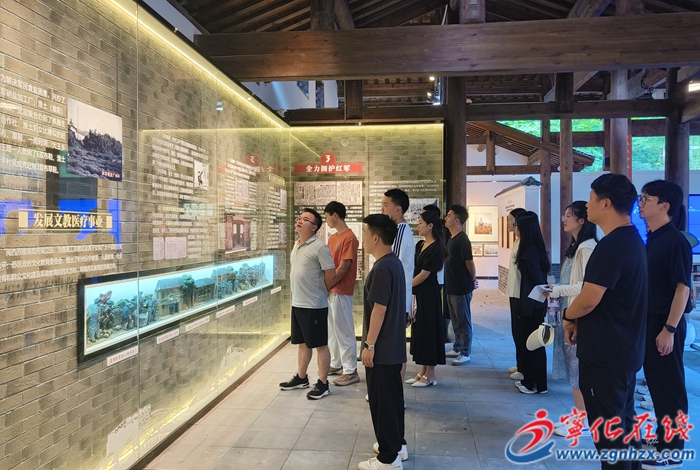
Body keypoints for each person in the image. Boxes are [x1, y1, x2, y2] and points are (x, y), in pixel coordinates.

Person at [564, 174, 647, 470]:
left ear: (606, 203)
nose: (587, 204)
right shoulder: (631, 239)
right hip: (623, 350)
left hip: (606, 353)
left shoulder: (611, 245)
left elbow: (589, 298)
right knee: (623, 425)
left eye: (590, 198)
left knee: (610, 435)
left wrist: (567, 316)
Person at [638, 180, 691, 470]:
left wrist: (669, 330)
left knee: (670, 388)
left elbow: (683, 288)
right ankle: (662, 438)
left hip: (665, 323)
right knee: (658, 385)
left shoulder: (674, 240)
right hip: (652, 321)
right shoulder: (655, 237)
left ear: (664, 206)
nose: (641, 203)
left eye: (646, 198)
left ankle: (673, 450)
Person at [359, 214, 407, 470]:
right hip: (393, 347)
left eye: (366, 234)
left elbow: (379, 309)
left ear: (376, 238)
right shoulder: (393, 263)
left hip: (382, 349)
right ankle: (397, 445)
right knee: (393, 399)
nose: (364, 239)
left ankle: (388, 459)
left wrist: (369, 345)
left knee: (383, 403)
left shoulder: (381, 268)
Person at [545, 201, 598, 436]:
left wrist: (557, 290)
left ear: (582, 221)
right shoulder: (578, 246)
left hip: (578, 314)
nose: (564, 220)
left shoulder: (586, 248)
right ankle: (579, 417)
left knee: (577, 372)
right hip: (571, 312)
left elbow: (584, 286)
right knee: (574, 371)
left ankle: (583, 422)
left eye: (569, 216)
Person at [279, 208, 336, 400]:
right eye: (300, 218)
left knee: (320, 345)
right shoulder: (297, 244)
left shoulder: (320, 247)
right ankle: (301, 378)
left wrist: (322, 291)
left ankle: (323, 383)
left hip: (314, 305)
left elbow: (331, 273)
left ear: (314, 227)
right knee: (302, 343)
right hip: (298, 303)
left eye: (305, 219)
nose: (300, 221)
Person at [405, 210, 446, 387]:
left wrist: (405, 287)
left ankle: (431, 374)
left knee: (428, 330)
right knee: (420, 330)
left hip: (428, 293)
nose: (418, 225)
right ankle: (422, 370)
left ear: (430, 226)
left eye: (421, 222)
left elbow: (424, 275)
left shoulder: (436, 247)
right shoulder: (420, 244)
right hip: (418, 292)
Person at [512, 211, 550, 394]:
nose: (514, 228)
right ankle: (537, 383)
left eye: (516, 225)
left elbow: (537, 279)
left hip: (532, 303)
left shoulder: (529, 252)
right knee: (534, 342)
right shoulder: (535, 247)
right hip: (535, 302)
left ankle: (532, 383)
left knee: (532, 343)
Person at [324, 201, 361, 386]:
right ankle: (336, 363)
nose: (326, 220)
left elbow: (343, 267)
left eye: (327, 217)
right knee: (332, 331)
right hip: (331, 289)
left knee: (344, 331)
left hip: (341, 290)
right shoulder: (332, 238)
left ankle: (350, 370)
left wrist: (328, 284)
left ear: (335, 215)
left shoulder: (349, 237)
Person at [382, 188, 414, 384]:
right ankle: (393, 389)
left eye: (386, 205)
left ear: (398, 209)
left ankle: (395, 389)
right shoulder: (399, 230)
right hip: (397, 298)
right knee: (393, 345)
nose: (382, 209)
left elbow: (395, 265)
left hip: (396, 299)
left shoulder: (400, 231)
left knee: (395, 346)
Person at [443, 204, 476, 365]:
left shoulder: (462, 239)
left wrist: (472, 280)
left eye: (449, 215)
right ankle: (457, 347)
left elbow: (470, 263)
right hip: (451, 286)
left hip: (461, 287)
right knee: (455, 320)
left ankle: (465, 351)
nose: (446, 218)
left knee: (463, 321)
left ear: (457, 220)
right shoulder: (452, 238)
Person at [506, 207, 526, 379]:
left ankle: (524, 368)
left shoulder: (525, 243)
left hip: (521, 294)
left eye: (510, 219)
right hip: (513, 293)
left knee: (521, 332)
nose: (508, 223)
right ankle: (520, 363)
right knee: (516, 331)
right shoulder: (517, 241)